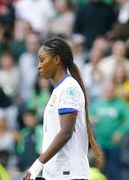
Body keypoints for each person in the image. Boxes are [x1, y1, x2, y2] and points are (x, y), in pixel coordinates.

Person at [23, 37, 103, 180]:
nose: (38, 66)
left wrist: (38, 164)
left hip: (69, 174)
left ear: (56, 59)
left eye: (42, 60)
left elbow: (66, 132)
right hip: (59, 174)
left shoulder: (68, 89)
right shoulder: (58, 90)